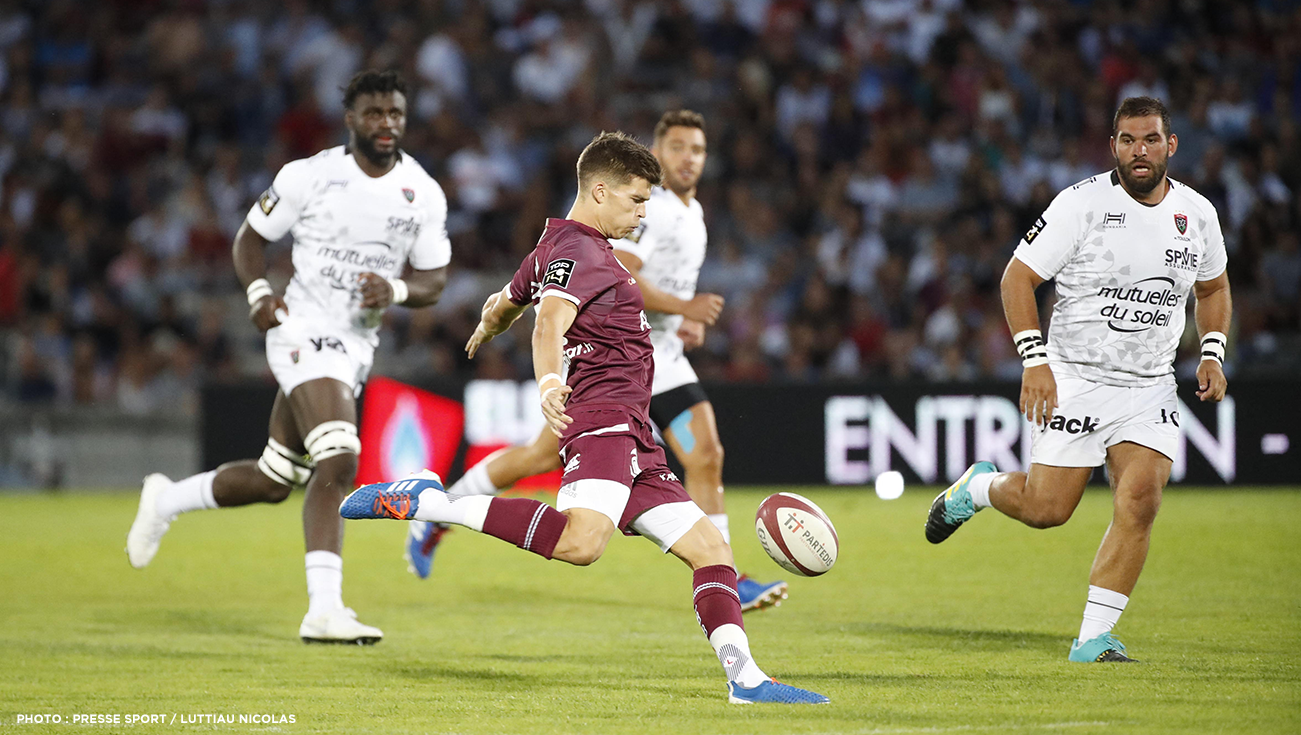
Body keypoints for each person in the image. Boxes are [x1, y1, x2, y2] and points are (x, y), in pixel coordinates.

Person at [340, 131, 827, 704]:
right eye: (636, 200)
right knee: (580, 545)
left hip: (637, 435)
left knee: (711, 551)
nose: (644, 213)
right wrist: (549, 379)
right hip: (602, 421)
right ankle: (427, 502)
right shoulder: (583, 253)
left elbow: (505, 303)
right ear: (599, 191)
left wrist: (487, 327)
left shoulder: (555, 248)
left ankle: (746, 680)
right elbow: (548, 322)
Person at [404, 110, 788, 611]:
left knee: (562, 456)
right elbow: (614, 273)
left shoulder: (678, 213)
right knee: (693, 459)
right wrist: (682, 308)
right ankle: (436, 510)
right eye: (676, 148)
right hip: (622, 362)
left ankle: (436, 513)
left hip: (650, 352)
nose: (687, 158)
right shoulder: (643, 216)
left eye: (697, 149)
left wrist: (490, 322)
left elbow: (514, 300)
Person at [125, 70, 451, 645]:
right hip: (301, 328)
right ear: (351, 119)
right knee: (341, 459)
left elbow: (433, 277)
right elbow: (250, 239)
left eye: (395, 114)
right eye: (374, 113)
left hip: (354, 344)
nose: (386, 124)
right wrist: (257, 293)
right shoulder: (310, 176)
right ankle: (324, 610)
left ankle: (166, 498)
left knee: (277, 479)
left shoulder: (423, 192)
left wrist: (396, 291)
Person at [924, 97, 1232, 663]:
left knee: (1140, 499)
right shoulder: (1081, 205)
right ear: (1113, 145)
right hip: (1076, 376)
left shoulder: (1199, 214)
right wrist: (1034, 361)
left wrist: (1211, 351)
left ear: (1171, 146)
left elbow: (1212, 289)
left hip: (1150, 384)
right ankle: (979, 489)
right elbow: (1017, 279)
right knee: (1048, 510)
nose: (1140, 151)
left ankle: (1092, 640)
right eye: (1128, 141)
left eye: (1150, 140)